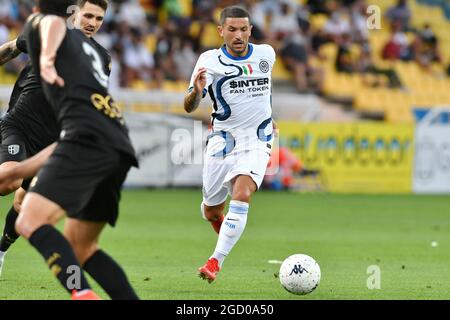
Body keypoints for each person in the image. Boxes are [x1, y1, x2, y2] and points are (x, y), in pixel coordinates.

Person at [0, 0, 139, 300]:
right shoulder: (88, 53)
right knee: (83, 247)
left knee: (29, 219)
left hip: (77, 137)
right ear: (74, 13)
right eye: (87, 15)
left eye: (98, 18)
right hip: (113, 141)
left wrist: (47, 59)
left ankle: (82, 293)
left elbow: (49, 24)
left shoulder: (47, 25)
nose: (92, 22)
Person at [183, 6, 276, 283]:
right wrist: (197, 92)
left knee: (243, 192)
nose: (238, 35)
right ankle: (226, 230)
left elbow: (264, 95)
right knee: (212, 210)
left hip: (258, 139)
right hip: (223, 141)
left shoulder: (266, 54)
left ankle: (215, 261)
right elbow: (189, 106)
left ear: (251, 31)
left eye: (243, 29)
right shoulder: (209, 61)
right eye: (232, 29)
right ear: (220, 31)